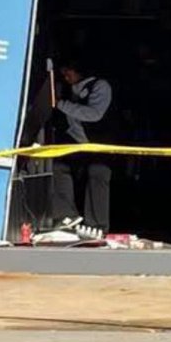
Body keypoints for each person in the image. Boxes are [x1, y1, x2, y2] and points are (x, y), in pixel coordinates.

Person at [50, 57, 116, 237]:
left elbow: (94, 114)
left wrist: (61, 104)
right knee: (58, 167)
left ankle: (98, 226)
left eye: (68, 72)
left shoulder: (100, 86)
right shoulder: (65, 89)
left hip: (99, 144)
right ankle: (67, 216)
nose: (65, 76)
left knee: (97, 173)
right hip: (75, 142)